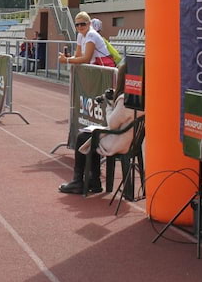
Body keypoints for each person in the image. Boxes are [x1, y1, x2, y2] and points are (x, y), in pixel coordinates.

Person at [59, 61, 142, 194]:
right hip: (133, 140)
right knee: (90, 137)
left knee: (83, 137)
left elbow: (112, 123)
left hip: (120, 142)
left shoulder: (124, 100)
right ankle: (94, 181)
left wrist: (109, 105)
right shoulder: (142, 97)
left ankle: (78, 181)